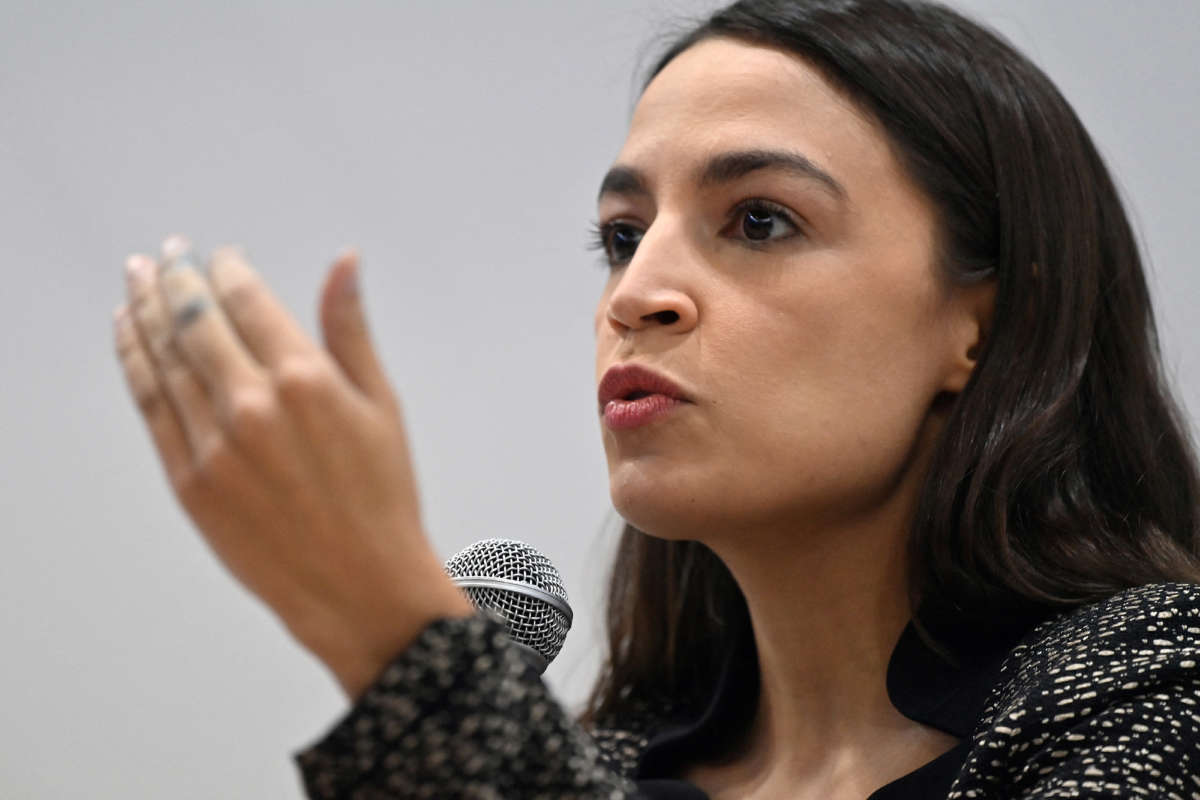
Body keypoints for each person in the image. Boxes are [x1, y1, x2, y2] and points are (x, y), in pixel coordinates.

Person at [111, 0, 1200, 797]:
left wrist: (394, 634)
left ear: (984, 321)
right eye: (623, 237)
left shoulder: (1157, 685)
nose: (635, 293)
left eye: (760, 220)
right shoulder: (606, 764)